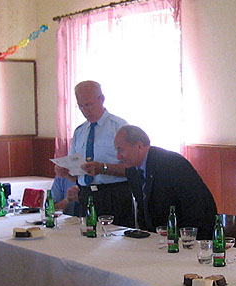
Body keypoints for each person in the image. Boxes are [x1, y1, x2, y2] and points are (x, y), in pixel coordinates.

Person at [113, 125, 217, 239]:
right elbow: (143, 209)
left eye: (121, 149)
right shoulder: (131, 169)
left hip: (189, 235)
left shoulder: (172, 163)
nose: (118, 156)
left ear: (139, 146)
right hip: (158, 238)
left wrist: (186, 239)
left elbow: (197, 206)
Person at [55, 80, 134, 227]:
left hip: (114, 195)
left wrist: (103, 168)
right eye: (81, 106)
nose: (85, 110)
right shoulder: (80, 132)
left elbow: (133, 169)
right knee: (86, 237)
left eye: (89, 105)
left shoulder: (119, 127)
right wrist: (65, 172)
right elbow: (75, 176)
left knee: (117, 239)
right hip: (86, 196)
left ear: (101, 99)